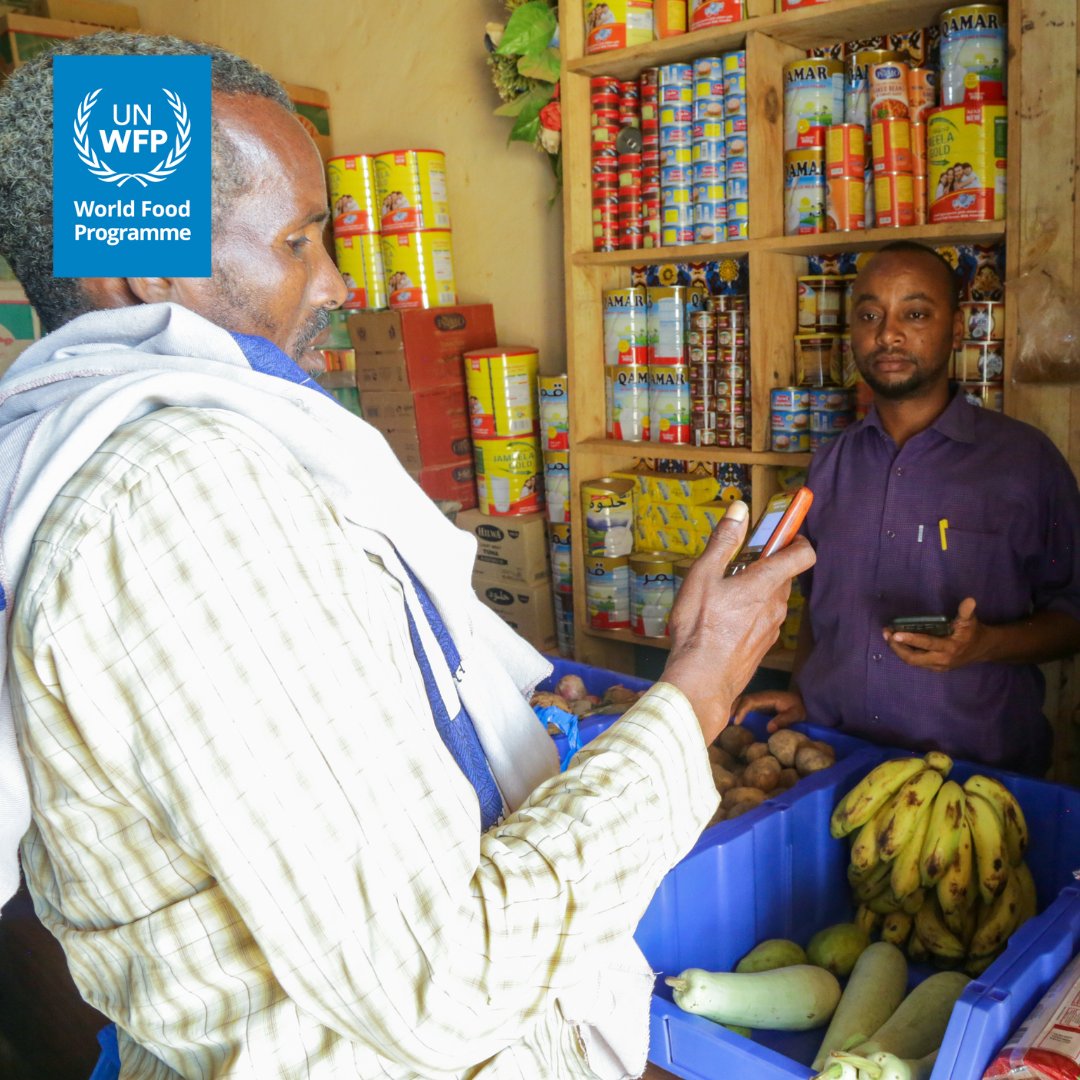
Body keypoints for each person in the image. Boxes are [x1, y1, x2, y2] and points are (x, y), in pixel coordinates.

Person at [0, 32, 813, 1080]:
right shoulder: (176, 492)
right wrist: (698, 692)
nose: (337, 283)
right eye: (300, 241)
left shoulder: (150, 457)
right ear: (149, 268)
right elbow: (439, 983)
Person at [734, 241, 1080, 775]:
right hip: (833, 760)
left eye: (914, 314)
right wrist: (804, 693)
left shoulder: (1023, 462)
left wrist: (985, 645)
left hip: (971, 777)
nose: (888, 334)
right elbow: (817, 609)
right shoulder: (830, 465)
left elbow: (1074, 615)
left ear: (958, 329)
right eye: (870, 314)